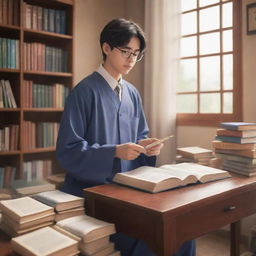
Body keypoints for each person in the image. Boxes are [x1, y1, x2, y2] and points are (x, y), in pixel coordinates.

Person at [56, 18, 195, 256]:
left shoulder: (132, 93)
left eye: (136, 54)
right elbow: (68, 150)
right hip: (93, 192)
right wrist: (113, 152)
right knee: (148, 237)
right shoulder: (83, 92)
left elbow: (140, 135)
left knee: (182, 234)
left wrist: (147, 147)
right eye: (126, 51)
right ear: (106, 48)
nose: (131, 59)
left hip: (129, 189)